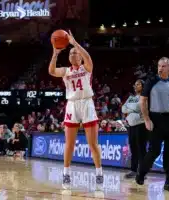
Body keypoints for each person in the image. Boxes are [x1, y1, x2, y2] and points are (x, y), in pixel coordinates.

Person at [48, 30, 103, 190]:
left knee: (93, 143)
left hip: (87, 104)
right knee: (69, 144)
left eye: (75, 53)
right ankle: (66, 173)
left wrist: (74, 43)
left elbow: (89, 57)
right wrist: (55, 53)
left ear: (80, 56)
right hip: (72, 105)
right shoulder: (66, 71)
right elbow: (51, 71)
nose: (73, 55)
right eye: (71, 53)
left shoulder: (87, 68)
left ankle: (99, 173)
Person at [135, 57, 169, 191]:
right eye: (159, 65)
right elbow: (143, 101)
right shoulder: (151, 81)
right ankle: (141, 173)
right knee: (154, 150)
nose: (160, 68)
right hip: (155, 119)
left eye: (164, 66)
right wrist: (146, 119)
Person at [122, 79, 148, 178]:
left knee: (141, 149)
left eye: (138, 84)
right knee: (133, 149)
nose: (136, 86)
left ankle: (142, 172)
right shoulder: (131, 98)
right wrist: (132, 108)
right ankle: (133, 170)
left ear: (143, 86)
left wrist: (130, 108)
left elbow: (139, 108)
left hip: (141, 125)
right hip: (131, 126)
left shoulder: (145, 97)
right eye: (135, 84)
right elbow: (123, 108)